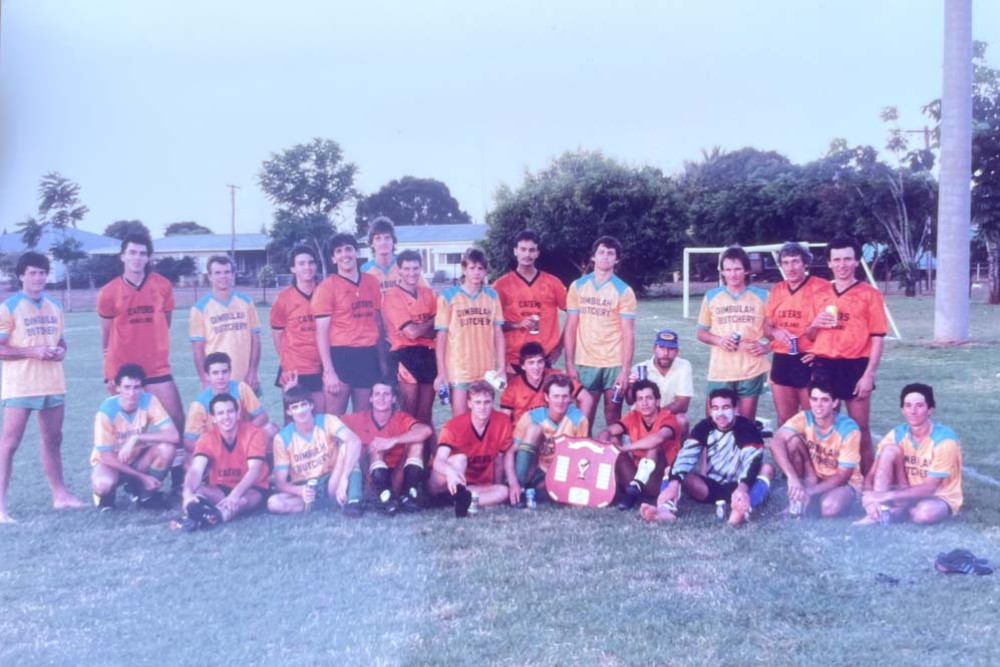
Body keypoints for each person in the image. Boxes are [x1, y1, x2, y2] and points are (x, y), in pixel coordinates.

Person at [97, 232, 185, 492]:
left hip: (157, 366)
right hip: (123, 371)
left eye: (143, 253)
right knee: (124, 428)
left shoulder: (162, 286)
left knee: (176, 420)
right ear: (123, 256)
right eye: (132, 253)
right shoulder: (108, 292)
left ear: (149, 257)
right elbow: (106, 335)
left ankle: (178, 478)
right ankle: (125, 478)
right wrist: (110, 374)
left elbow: (165, 323)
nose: (137, 258)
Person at [0, 252, 84, 522]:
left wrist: (59, 351)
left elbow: (61, 342)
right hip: (20, 385)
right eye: (32, 273)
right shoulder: (9, 307)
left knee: (53, 439)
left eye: (42, 273)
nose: (38, 278)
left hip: (52, 382)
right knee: (10, 444)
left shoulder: (55, 306)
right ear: (21, 276)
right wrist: (31, 351)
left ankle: (60, 496)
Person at [807, 236, 888, 474]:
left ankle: (869, 480)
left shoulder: (869, 294)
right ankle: (827, 476)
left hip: (855, 366)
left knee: (859, 427)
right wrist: (814, 323)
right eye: (837, 260)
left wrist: (869, 375)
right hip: (824, 364)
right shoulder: (820, 292)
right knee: (825, 425)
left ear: (856, 262)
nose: (842, 264)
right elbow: (811, 336)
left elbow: (877, 337)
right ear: (829, 263)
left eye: (847, 259)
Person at [640, 389, 773, 526]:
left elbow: (752, 461)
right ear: (710, 410)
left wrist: (742, 488)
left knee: (767, 468)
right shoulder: (704, 427)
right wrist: (673, 485)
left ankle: (742, 511)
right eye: (715, 408)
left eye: (725, 407)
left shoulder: (747, 428)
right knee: (671, 470)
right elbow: (685, 456)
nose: (720, 413)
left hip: (739, 485)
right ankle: (665, 510)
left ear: (735, 409)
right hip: (709, 486)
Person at [857, 383, 962, 525]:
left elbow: (930, 488)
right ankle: (878, 513)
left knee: (925, 513)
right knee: (889, 449)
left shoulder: (944, 440)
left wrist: (884, 495)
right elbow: (870, 477)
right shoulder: (897, 434)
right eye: (908, 405)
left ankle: (895, 510)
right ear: (902, 410)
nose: (913, 411)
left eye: (919, 405)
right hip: (904, 490)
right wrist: (870, 501)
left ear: (930, 410)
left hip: (937, 495)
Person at [564, 236, 637, 429]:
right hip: (586, 363)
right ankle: (583, 458)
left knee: (613, 416)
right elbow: (570, 327)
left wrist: (625, 370)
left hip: (613, 363)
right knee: (583, 417)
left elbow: (628, 333)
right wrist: (569, 364)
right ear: (593, 257)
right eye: (601, 252)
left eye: (610, 253)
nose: (605, 257)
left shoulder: (624, 291)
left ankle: (617, 458)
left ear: (617, 260)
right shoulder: (577, 286)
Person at [696, 246, 771, 424]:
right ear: (722, 272)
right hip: (720, 370)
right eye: (728, 269)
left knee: (745, 425)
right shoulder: (712, 296)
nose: (733, 274)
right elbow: (700, 332)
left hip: (750, 369)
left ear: (747, 270)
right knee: (715, 423)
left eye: (737, 269)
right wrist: (719, 340)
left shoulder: (763, 296)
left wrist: (766, 347)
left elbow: (774, 332)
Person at [90, 364, 180, 511]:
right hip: (113, 463)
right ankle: (106, 496)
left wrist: (137, 437)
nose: (132, 393)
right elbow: (105, 456)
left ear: (142, 388)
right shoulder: (106, 412)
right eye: (127, 387)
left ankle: (145, 496)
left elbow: (173, 435)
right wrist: (142, 477)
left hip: (137, 459)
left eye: (136, 387)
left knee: (167, 449)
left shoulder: (149, 401)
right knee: (103, 484)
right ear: (117, 387)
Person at [313, 233, 385, 415]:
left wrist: (382, 361)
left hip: (368, 356)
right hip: (341, 356)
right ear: (333, 258)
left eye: (348, 249)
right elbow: (321, 332)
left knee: (363, 419)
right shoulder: (326, 287)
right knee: (334, 419)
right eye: (339, 251)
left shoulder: (372, 282)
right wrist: (329, 371)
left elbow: (377, 323)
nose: (344, 254)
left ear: (357, 252)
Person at [767, 382, 862, 518]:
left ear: (835, 403)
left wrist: (809, 492)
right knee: (792, 442)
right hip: (815, 475)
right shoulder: (805, 417)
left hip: (844, 482)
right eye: (814, 399)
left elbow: (842, 476)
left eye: (824, 400)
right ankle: (801, 491)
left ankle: (813, 497)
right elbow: (776, 441)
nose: (818, 405)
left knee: (828, 507)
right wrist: (792, 477)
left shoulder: (849, 429)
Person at [267, 386, 365, 516]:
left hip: (331, 480)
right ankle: (328, 503)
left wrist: (344, 479)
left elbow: (355, 441)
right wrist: (300, 491)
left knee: (348, 447)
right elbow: (280, 483)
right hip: (305, 486)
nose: (301, 411)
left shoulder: (327, 420)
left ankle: (354, 500)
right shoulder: (282, 438)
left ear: (311, 405)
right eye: (295, 407)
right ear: (289, 412)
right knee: (274, 503)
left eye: (304, 405)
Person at [764, 242, 833, 427]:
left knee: (815, 420)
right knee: (785, 420)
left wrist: (820, 352)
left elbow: (831, 328)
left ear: (805, 263)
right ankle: (791, 456)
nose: (790, 267)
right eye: (785, 262)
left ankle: (814, 456)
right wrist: (775, 331)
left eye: (795, 261)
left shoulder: (822, 288)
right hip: (782, 359)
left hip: (809, 359)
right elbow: (766, 328)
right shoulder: (777, 290)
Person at [341, 380, 433, 514]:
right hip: (371, 476)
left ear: (393, 398)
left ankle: (409, 494)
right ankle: (385, 498)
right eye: (377, 394)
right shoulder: (358, 419)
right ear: (371, 399)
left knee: (417, 442)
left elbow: (426, 430)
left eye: (386, 394)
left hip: (398, 474)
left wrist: (393, 440)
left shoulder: (401, 418)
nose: (381, 398)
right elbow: (331, 425)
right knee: (376, 446)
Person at [434, 248, 505, 417]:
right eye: (472, 268)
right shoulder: (448, 296)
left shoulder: (492, 296)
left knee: (483, 419)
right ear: (464, 269)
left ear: (485, 271)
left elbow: (499, 334)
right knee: (461, 420)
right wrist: (441, 372)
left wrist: (501, 366)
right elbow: (441, 337)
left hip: (485, 370)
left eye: (480, 268)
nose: (476, 273)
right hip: (459, 369)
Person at [180, 393, 269, 529]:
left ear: (237, 413)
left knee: (241, 501)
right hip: (221, 486)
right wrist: (187, 494)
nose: (226, 417)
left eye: (230, 411)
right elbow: (196, 469)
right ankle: (200, 512)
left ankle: (211, 518)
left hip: (251, 487)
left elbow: (255, 470)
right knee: (197, 491)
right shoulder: (207, 438)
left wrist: (234, 495)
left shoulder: (254, 433)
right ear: (213, 418)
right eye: (220, 413)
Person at [428, 380, 515, 512]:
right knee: (460, 459)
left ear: (493, 402)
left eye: (487, 402)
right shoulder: (454, 426)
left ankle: (460, 500)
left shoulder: (502, 422)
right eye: (477, 402)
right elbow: (439, 461)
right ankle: (443, 498)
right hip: (445, 480)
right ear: (469, 403)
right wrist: (451, 472)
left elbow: (499, 459)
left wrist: (499, 484)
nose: (483, 407)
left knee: (502, 491)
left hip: (471, 485)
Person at [596, 380, 679, 511]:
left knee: (653, 448)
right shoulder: (633, 416)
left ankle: (635, 488)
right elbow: (608, 431)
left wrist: (625, 448)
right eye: (640, 399)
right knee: (612, 441)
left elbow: (658, 438)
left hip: (658, 480)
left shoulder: (668, 417)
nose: (644, 403)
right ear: (635, 403)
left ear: (657, 401)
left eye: (649, 398)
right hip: (633, 476)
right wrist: (608, 443)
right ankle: (612, 486)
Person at [493, 230, 568, 372]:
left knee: (543, 394)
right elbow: (492, 325)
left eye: (532, 250)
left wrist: (559, 347)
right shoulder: (500, 285)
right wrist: (516, 324)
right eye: (523, 249)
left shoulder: (552, 283)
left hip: (543, 357)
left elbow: (574, 315)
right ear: (515, 251)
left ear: (537, 253)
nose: (527, 254)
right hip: (513, 358)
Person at [511, 373, 590, 505]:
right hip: (536, 468)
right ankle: (520, 487)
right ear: (547, 397)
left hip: (561, 471)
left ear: (570, 398)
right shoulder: (532, 416)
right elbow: (510, 452)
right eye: (556, 396)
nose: (560, 401)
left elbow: (580, 457)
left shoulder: (579, 419)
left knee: (553, 495)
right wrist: (513, 482)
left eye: (565, 396)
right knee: (534, 429)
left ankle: (538, 492)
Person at [381, 250, 437, 428]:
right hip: (406, 356)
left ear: (421, 268)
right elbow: (411, 333)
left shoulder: (428, 293)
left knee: (425, 415)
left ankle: (424, 456)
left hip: (429, 354)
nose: (411, 273)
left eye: (415, 268)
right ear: (398, 270)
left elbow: (439, 331)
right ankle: (405, 456)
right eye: (407, 269)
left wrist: (425, 327)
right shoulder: (391, 296)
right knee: (408, 416)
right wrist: (433, 320)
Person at [189, 254, 262, 392]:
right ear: (210, 276)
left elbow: (255, 340)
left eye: (227, 272)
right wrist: (204, 379)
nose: (223, 276)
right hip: (218, 380)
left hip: (245, 377)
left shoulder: (246, 302)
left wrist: (253, 371)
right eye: (217, 273)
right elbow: (197, 348)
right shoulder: (200, 308)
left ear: (233, 274)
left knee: (250, 413)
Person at [184, 352, 276, 458]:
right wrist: (214, 447)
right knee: (189, 460)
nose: (221, 377)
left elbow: (263, 417)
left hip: (242, 439)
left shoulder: (241, 388)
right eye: (215, 373)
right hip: (216, 447)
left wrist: (239, 435)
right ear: (207, 376)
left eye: (224, 372)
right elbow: (188, 441)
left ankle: (264, 472)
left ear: (230, 372)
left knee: (271, 429)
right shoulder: (199, 404)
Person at [270, 245, 325, 413]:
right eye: (301, 263)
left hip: (321, 365)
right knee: (293, 419)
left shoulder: (326, 292)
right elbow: (277, 335)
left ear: (316, 266)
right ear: (293, 268)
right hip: (295, 367)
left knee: (321, 417)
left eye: (310, 262)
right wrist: (288, 363)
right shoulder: (283, 299)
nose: (307, 267)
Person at [625, 328, 693, 441]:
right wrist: (632, 386)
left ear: (677, 352)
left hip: (666, 417)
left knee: (682, 419)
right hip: (641, 419)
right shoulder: (639, 368)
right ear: (654, 349)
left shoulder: (684, 366)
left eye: (671, 349)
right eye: (661, 348)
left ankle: (679, 456)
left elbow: (682, 404)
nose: (665, 353)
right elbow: (629, 401)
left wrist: (655, 417)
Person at [499, 341, 581, 427]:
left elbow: (586, 398)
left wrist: (578, 427)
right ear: (523, 366)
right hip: (523, 434)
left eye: (540, 362)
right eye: (531, 363)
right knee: (535, 428)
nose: (536, 367)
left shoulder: (556, 377)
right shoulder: (513, 387)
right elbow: (505, 419)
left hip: (551, 431)